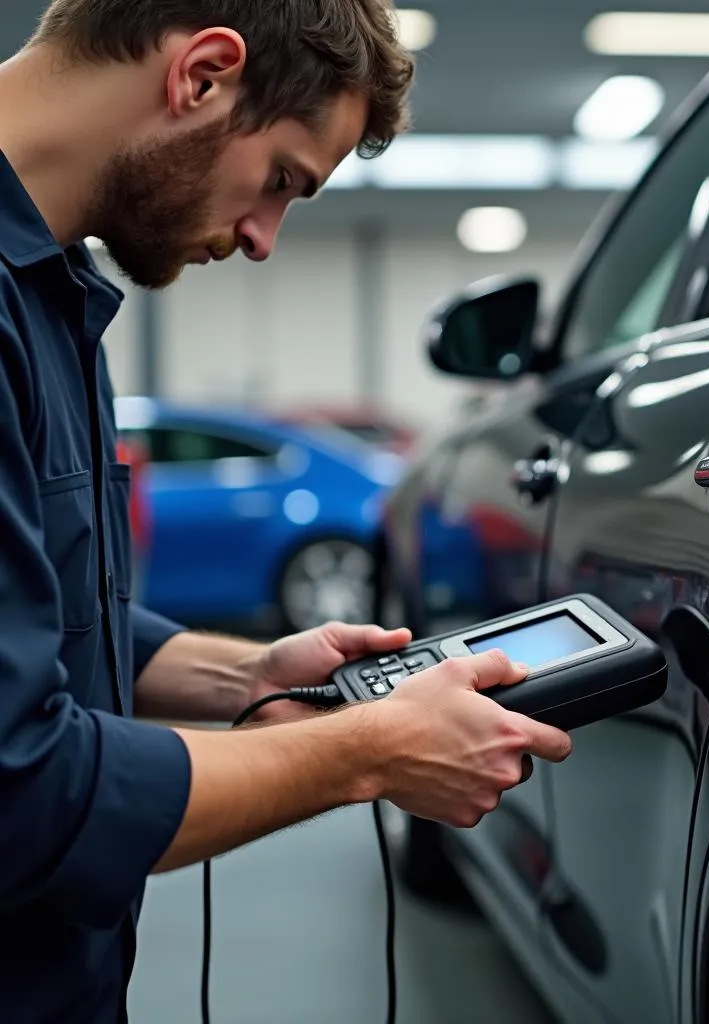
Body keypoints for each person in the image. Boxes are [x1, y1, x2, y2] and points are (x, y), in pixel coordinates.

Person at [0, 2, 573, 1021]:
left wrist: (243, 674)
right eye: (282, 181)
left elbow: (38, 604)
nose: (265, 237)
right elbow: (19, 792)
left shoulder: (50, 295)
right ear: (204, 76)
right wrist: (368, 751)